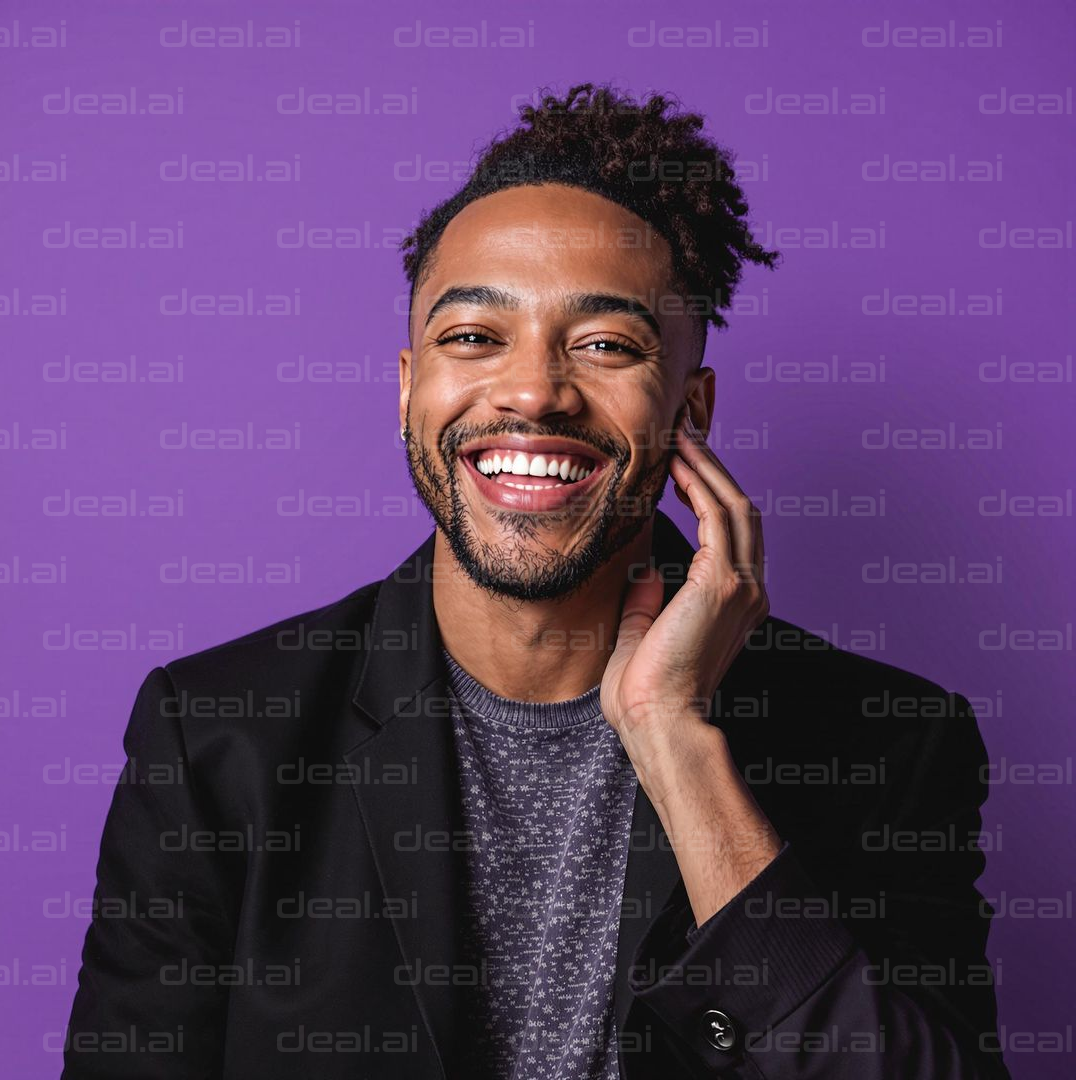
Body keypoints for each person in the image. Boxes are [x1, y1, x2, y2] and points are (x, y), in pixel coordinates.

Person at [63, 83, 1009, 1079]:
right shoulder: (218, 738)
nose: (532, 392)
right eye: (473, 336)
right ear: (408, 387)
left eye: (606, 345)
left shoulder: (885, 745)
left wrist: (678, 748)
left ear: (692, 407)